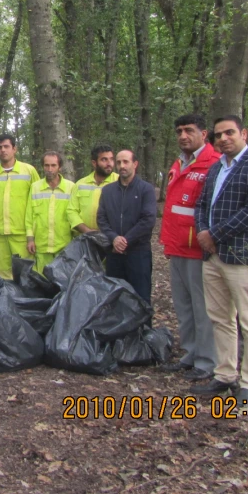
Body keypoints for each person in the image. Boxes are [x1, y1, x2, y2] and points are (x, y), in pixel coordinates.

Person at [190, 115, 248, 402]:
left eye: (230, 133)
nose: (224, 138)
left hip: (244, 256)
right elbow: (202, 204)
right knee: (220, 318)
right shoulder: (216, 168)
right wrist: (203, 231)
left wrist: (214, 235)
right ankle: (225, 374)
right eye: (219, 135)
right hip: (212, 257)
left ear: (244, 133)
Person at [159, 115, 220, 380]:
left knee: (202, 308)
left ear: (203, 134)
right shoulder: (179, 163)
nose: (183, 135)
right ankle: (190, 354)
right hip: (176, 247)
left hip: (198, 249)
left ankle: (207, 362)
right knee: (183, 307)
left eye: (189, 130)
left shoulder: (213, 164)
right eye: (179, 131)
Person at [97, 149, 157, 302]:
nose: (121, 166)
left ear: (135, 164)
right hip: (114, 254)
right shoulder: (108, 191)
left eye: (125, 162)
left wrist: (126, 240)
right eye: (118, 162)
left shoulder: (146, 189)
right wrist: (114, 238)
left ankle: (143, 327)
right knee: (115, 299)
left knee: (141, 298)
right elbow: (102, 219)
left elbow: (148, 219)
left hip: (138, 253)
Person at [0, 134, 39, 279]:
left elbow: (37, 200)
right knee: (1, 276)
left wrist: (32, 233)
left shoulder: (28, 171)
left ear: (14, 149)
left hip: (21, 233)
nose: (3, 150)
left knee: (25, 274)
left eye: (6, 146)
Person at [25, 151, 76, 273]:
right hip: (41, 246)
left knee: (62, 282)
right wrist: (30, 239)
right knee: (42, 282)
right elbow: (29, 216)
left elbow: (75, 216)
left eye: (53, 165)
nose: (49, 169)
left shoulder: (71, 187)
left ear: (60, 167)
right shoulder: (35, 187)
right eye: (46, 165)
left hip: (64, 246)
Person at [68, 145, 118, 235]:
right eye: (104, 159)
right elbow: (71, 211)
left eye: (111, 159)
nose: (109, 163)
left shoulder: (119, 182)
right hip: (85, 238)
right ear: (94, 163)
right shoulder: (80, 184)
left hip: (113, 239)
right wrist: (86, 231)